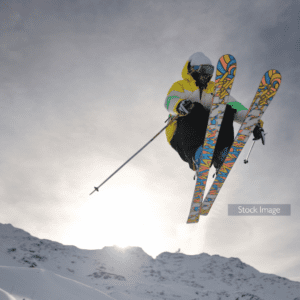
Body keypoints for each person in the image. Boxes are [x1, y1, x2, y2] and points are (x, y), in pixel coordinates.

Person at [164, 52, 264, 172]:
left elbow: (236, 107)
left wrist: (253, 123)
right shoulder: (181, 85)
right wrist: (179, 105)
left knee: (225, 109)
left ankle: (222, 153)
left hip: (205, 132)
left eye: (211, 71)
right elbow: (170, 99)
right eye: (205, 69)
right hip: (180, 135)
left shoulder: (215, 89)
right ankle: (198, 155)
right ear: (193, 69)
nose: (207, 75)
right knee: (194, 108)